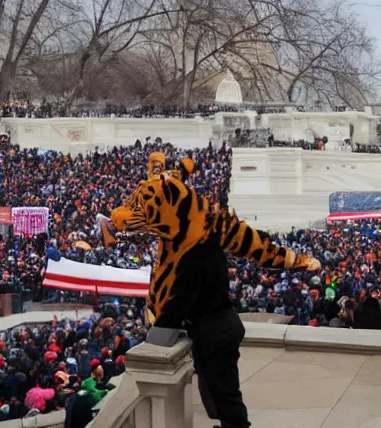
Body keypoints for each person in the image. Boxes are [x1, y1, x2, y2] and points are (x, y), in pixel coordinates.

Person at [107, 152, 320, 428]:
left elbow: (180, 299)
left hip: (216, 331)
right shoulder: (194, 237)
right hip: (214, 327)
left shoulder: (196, 251)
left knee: (225, 394)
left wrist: (157, 336)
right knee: (215, 390)